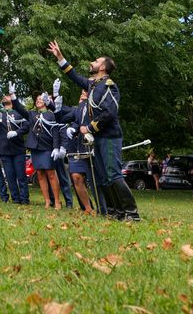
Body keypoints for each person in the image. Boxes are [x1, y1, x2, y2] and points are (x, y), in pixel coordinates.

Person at [48, 40, 141, 221]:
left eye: (96, 61)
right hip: (97, 138)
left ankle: (132, 213)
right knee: (103, 178)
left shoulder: (109, 86)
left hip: (110, 137)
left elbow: (110, 113)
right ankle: (116, 212)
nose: (92, 62)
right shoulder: (93, 85)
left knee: (113, 174)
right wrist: (60, 57)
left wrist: (89, 127)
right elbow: (73, 75)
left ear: (103, 67)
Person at [10, 84, 63, 209]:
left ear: (46, 102)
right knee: (39, 174)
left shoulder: (52, 114)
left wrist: (56, 147)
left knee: (51, 173)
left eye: (40, 99)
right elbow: (19, 107)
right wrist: (13, 95)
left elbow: (55, 132)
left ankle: (56, 200)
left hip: (48, 148)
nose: (38, 101)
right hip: (36, 148)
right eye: (37, 100)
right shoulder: (32, 114)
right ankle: (47, 201)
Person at [0, 95, 30, 204]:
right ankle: (15, 199)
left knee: (21, 176)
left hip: (18, 149)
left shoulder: (19, 112)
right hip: (4, 151)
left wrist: (17, 132)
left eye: (8, 96)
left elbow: (27, 125)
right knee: (10, 176)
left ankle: (24, 199)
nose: (5, 97)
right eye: (3, 97)